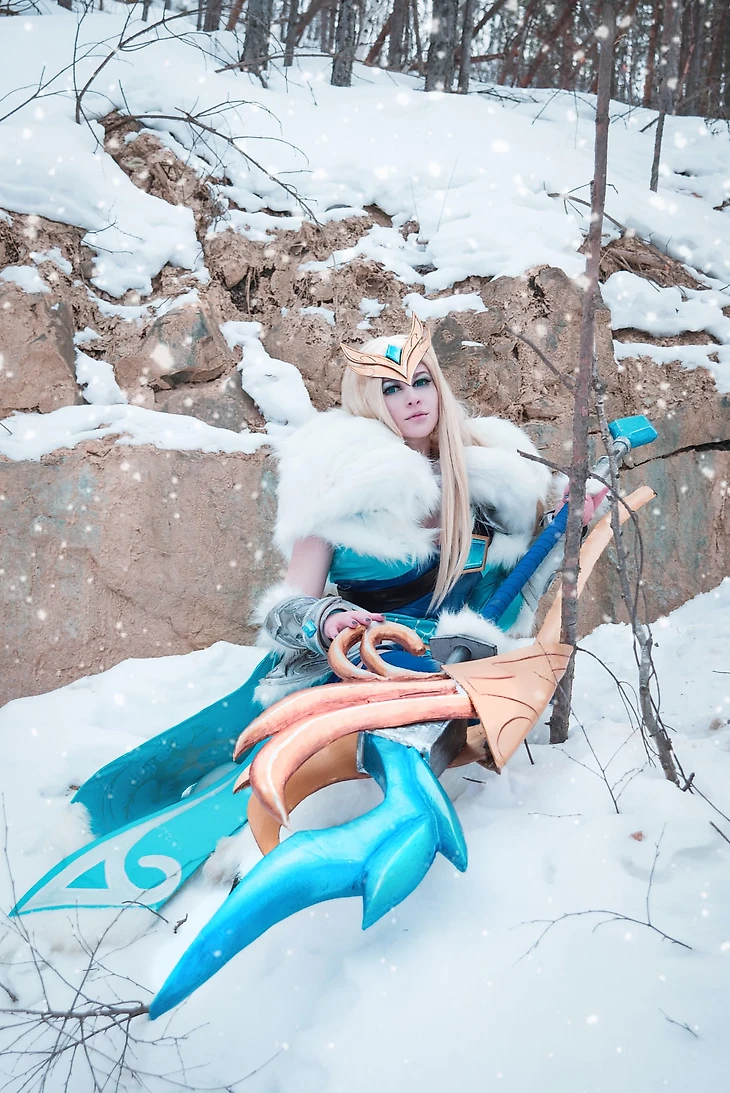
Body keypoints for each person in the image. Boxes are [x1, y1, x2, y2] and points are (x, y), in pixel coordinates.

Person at [253, 314, 561, 706]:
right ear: (368, 400)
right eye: (392, 389)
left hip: (462, 659)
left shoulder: (485, 480)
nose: (413, 398)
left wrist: (566, 524)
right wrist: (327, 619)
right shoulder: (335, 483)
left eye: (421, 382)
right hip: (371, 657)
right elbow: (285, 608)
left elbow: (508, 587)